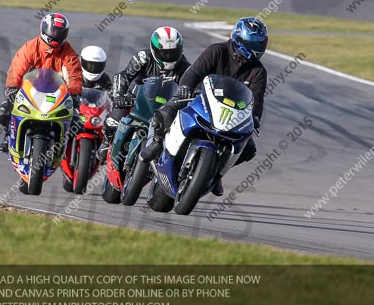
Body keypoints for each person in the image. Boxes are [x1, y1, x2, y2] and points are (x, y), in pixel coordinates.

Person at [145, 17, 268, 197]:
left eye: (261, 44)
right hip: (198, 100)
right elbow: (195, 71)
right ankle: (156, 142)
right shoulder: (217, 51)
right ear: (239, 39)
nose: (257, 49)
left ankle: (216, 173)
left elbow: (257, 99)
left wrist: (255, 117)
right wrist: (186, 87)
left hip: (230, 115)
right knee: (168, 111)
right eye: (253, 43)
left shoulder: (258, 71)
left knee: (249, 148)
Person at [0, 13, 84, 159]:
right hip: (29, 92)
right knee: (3, 111)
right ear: (44, 29)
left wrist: (74, 94)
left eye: (59, 32)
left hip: (56, 95)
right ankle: (9, 135)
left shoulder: (69, 53)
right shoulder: (31, 47)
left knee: (77, 120)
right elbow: (18, 67)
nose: (55, 35)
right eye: (53, 31)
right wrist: (12, 86)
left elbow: (74, 74)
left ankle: (65, 147)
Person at [102, 27, 191, 149]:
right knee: (113, 121)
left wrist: (188, 94)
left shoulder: (186, 68)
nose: (168, 57)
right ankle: (106, 142)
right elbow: (123, 76)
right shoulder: (143, 58)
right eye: (164, 53)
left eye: (173, 53)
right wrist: (119, 95)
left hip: (164, 108)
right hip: (136, 100)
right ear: (154, 50)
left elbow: (193, 87)